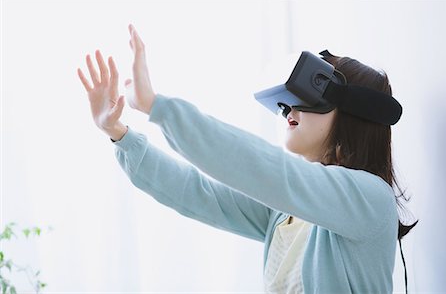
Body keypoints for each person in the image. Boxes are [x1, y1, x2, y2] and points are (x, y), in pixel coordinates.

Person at [77, 23, 418, 293]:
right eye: (286, 102)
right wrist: (120, 133)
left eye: (307, 98)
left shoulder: (370, 198)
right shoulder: (287, 211)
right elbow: (197, 193)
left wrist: (158, 106)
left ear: (351, 113)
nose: (289, 110)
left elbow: (265, 169)